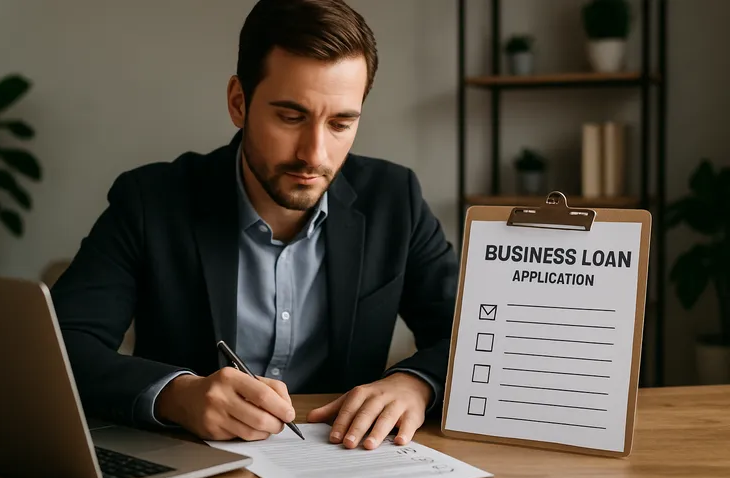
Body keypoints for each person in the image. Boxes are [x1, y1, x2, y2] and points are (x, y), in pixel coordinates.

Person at [51, 0, 458, 451]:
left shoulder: (395, 199)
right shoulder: (150, 201)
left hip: (343, 463)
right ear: (238, 102)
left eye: (341, 123)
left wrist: (417, 382)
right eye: (291, 117)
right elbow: (61, 345)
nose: (314, 154)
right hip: (192, 463)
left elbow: (470, 334)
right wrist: (176, 395)